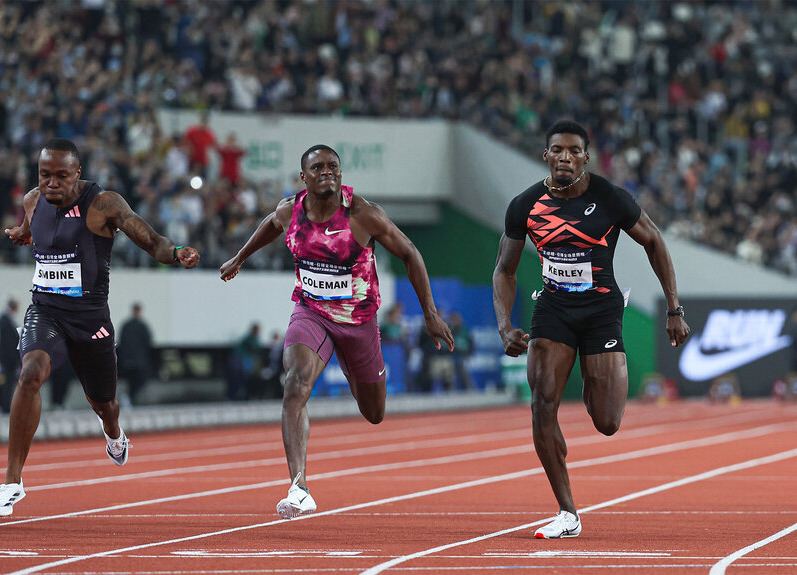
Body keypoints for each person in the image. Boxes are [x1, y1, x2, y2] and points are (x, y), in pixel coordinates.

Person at [219, 144, 454, 519]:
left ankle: (349, 368)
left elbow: (410, 252)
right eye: (318, 167)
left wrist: (429, 313)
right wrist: (240, 257)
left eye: (333, 166)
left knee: (374, 413)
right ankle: (299, 487)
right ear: (304, 177)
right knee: (295, 383)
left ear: (341, 174)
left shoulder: (363, 215)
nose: (326, 172)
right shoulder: (289, 210)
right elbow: (269, 225)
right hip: (312, 312)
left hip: (359, 323)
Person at [492, 120, 690, 539]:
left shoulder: (610, 198)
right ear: (546, 155)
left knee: (607, 421)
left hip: (601, 311)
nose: (565, 156)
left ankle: (592, 375)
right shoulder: (525, 205)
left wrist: (674, 307)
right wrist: (504, 324)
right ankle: (567, 512)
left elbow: (654, 241)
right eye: (557, 150)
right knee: (542, 404)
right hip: (553, 310)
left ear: (586, 156)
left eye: (574, 151)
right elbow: (504, 269)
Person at [0, 138, 200, 518]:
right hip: (46, 310)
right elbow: (30, 228)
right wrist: (23, 234)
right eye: (44, 175)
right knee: (30, 374)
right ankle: (12, 482)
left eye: (61, 176)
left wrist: (174, 253)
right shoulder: (33, 201)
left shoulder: (104, 204)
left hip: (90, 321)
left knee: (105, 403)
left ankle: (114, 432)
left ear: (78, 174)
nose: (51, 183)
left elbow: (150, 239)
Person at [117, 302, 154, 407]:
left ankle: (129, 399)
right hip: (138, 360)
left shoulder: (127, 326)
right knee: (138, 379)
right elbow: (148, 341)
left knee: (133, 381)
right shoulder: (141, 326)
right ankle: (129, 399)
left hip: (130, 359)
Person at [0, 298, 21, 414]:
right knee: (6, 383)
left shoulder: (9, 319)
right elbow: (7, 342)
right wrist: (15, 358)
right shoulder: (4, 319)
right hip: (7, 359)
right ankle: (4, 407)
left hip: (9, 358)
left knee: (9, 384)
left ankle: (6, 405)